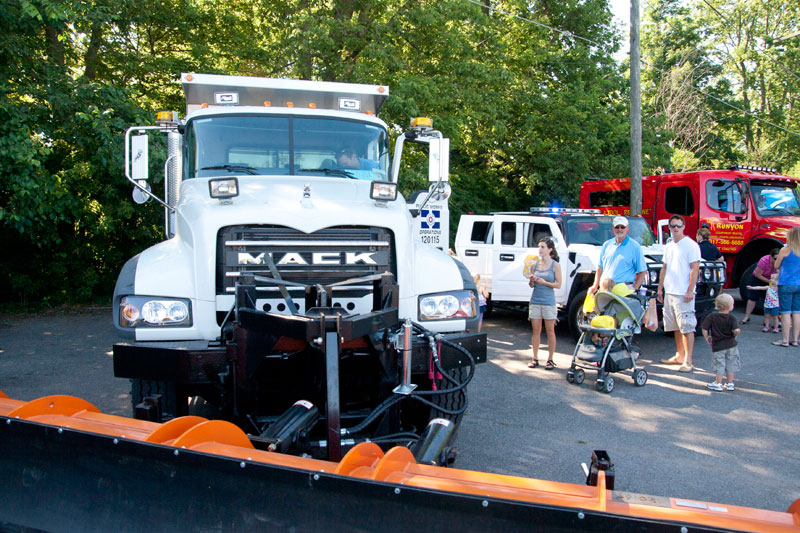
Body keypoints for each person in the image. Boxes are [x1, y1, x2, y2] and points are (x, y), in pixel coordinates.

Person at [658, 215, 701, 373]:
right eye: (673, 226)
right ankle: (679, 355)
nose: (675, 228)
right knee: (675, 326)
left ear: (683, 227)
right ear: (669, 228)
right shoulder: (669, 245)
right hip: (670, 291)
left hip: (683, 293)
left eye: (678, 226)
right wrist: (660, 289)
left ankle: (688, 361)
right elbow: (664, 268)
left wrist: (690, 290)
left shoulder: (691, 245)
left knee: (687, 327)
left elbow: (694, 269)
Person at [588, 216, 647, 296]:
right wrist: (595, 285)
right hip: (605, 288)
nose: (620, 229)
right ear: (613, 228)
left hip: (624, 289)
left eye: (622, 227)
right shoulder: (606, 245)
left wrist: (634, 289)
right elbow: (600, 268)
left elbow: (642, 271)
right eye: (617, 227)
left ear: (627, 228)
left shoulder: (635, 247)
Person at [527, 238, 562, 370]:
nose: (540, 249)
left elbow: (558, 284)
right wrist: (532, 280)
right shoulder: (534, 265)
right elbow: (531, 285)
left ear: (550, 250)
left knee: (550, 331)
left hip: (548, 302)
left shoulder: (555, 265)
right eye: (539, 247)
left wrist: (544, 282)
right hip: (535, 300)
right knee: (536, 331)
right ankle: (534, 358)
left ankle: (550, 359)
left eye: (542, 247)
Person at [701, 293, 741, 392]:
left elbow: (704, 328)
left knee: (719, 364)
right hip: (731, 345)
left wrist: (707, 337)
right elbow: (736, 330)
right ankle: (730, 383)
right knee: (731, 364)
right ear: (730, 306)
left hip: (718, 346)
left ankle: (718, 383)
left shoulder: (712, 317)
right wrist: (735, 334)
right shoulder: (732, 318)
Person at [773, 227, 800, 347]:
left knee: (785, 312)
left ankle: (785, 340)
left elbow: (776, 265)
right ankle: (795, 340)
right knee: (797, 312)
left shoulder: (785, 250)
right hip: (799, 283)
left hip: (786, 283)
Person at [740, 249, 780, 324]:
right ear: (770, 256)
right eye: (775, 258)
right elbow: (758, 275)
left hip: (773, 279)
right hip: (760, 277)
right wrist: (770, 282)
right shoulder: (764, 260)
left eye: (778, 258)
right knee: (753, 296)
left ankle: (770, 321)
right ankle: (746, 317)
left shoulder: (781, 262)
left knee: (772, 299)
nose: (776, 260)